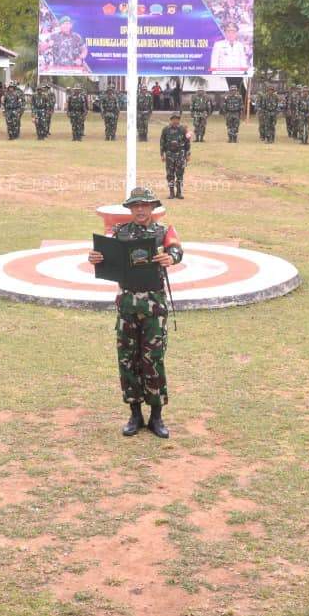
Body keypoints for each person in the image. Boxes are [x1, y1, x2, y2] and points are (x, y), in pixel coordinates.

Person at [86, 187, 181, 439]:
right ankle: (135, 414)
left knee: (153, 359)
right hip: (127, 303)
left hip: (154, 305)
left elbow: (177, 250)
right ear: (130, 209)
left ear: (152, 208)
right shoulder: (120, 233)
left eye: (145, 205)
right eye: (135, 206)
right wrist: (94, 257)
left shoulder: (163, 232)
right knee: (127, 358)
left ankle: (157, 416)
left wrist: (170, 258)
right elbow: (104, 256)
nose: (140, 210)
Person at [160, 113, 191, 198]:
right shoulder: (165, 129)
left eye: (177, 119)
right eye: (174, 119)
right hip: (169, 154)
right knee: (170, 174)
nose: (175, 121)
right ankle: (171, 192)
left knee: (180, 174)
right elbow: (162, 142)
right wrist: (162, 154)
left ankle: (179, 192)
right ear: (171, 120)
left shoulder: (183, 129)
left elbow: (187, 142)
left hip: (180, 155)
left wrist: (188, 154)